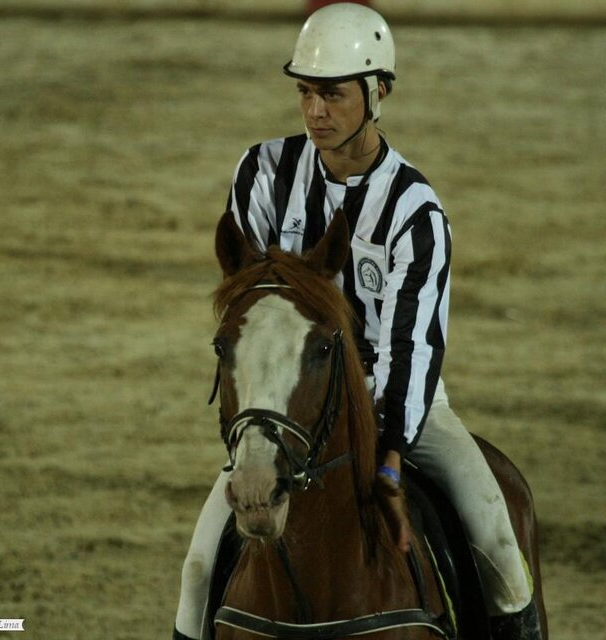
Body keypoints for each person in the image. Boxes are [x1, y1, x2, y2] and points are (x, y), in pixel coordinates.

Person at [173, 4, 541, 639]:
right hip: (291, 403)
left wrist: (391, 454)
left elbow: (413, 345)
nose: (316, 111)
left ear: (378, 94)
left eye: (334, 94)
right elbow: (250, 303)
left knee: (498, 541)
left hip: (394, 402)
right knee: (199, 569)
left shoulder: (415, 211)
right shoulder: (262, 172)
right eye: (305, 92)